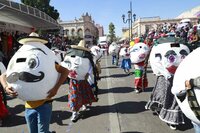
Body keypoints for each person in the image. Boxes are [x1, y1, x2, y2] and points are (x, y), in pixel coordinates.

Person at [0, 32, 69, 133]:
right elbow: (3, 75)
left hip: (44, 103)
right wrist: (6, 87)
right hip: (28, 106)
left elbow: (65, 71)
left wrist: (56, 88)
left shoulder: (46, 57)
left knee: (42, 132)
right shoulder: (22, 54)